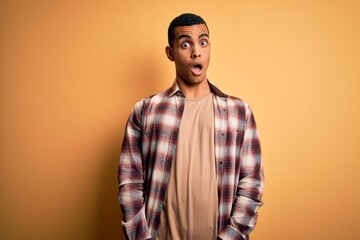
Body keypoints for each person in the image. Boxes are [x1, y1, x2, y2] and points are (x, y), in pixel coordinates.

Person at [118, 13, 264, 240]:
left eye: (203, 43)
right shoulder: (145, 111)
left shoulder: (239, 112)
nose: (196, 51)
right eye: (185, 44)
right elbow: (130, 183)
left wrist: (231, 236)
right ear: (170, 53)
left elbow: (251, 184)